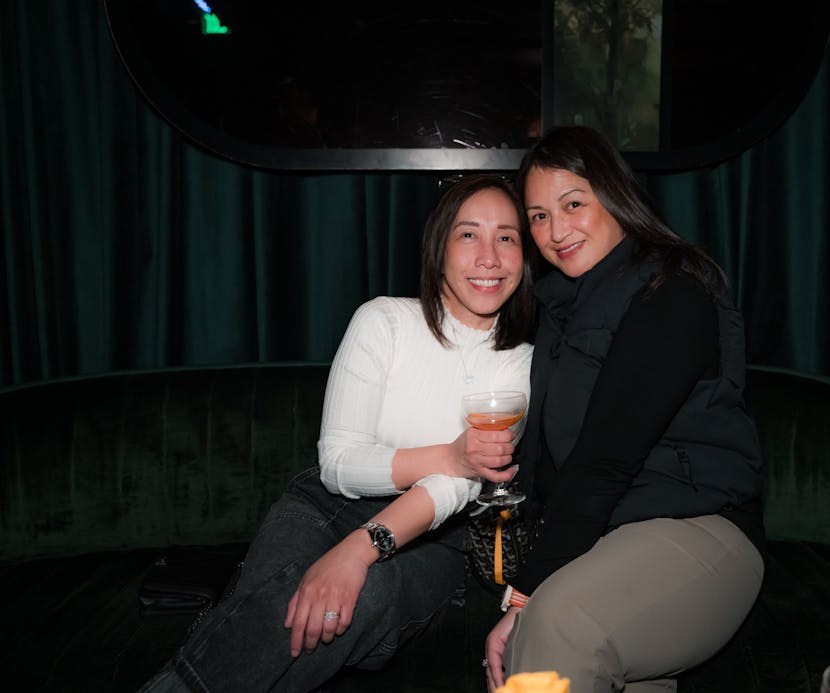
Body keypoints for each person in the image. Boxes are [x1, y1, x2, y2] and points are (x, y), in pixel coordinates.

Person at [141, 174, 535, 692]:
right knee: (284, 608)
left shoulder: (523, 364)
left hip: (433, 536)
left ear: (524, 257)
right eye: (468, 235)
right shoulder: (383, 321)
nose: (489, 256)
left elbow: (457, 486)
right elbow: (340, 463)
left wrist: (361, 548)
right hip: (325, 504)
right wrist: (453, 454)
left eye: (506, 237)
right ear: (438, 247)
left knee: (346, 605)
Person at [484, 126, 766, 693]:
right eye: (538, 216)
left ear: (614, 194)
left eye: (572, 204)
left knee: (559, 623)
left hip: (698, 532)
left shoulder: (672, 289)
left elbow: (602, 463)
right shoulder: (560, 307)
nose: (556, 231)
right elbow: (553, 462)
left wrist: (524, 595)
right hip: (608, 543)